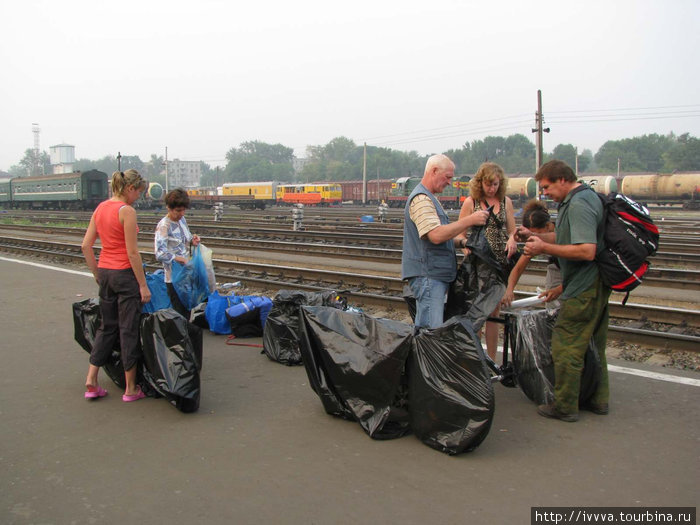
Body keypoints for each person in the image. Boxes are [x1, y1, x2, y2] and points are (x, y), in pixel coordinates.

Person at [517, 160, 610, 422]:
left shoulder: (579, 204)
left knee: (565, 345)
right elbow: (567, 238)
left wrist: (543, 249)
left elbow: (585, 250)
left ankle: (565, 406)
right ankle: (599, 399)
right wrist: (536, 237)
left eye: (546, 187)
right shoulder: (584, 198)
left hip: (584, 286)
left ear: (562, 179)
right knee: (595, 344)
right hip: (595, 284)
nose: (544, 193)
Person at [81, 169, 151, 403]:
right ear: (130, 188)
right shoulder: (126, 211)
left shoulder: (101, 208)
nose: (138, 198)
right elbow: (132, 252)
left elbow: (86, 246)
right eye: (138, 192)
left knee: (106, 327)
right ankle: (131, 388)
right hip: (124, 275)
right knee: (128, 329)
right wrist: (143, 285)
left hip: (106, 273)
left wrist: (97, 274)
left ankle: (91, 380)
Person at [401, 154, 489, 329]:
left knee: (428, 331)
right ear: (434, 171)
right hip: (428, 276)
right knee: (430, 332)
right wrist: (470, 220)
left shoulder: (430, 198)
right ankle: (426, 357)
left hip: (433, 275)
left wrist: (462, 243)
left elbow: (439, 236)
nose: (449, 182)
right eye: (447, 177)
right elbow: (435, 235)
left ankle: (424, 356)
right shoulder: (421, 199)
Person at [458, 162, 517, 360]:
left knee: (494, 311)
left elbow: (512, 231)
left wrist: (512, 239)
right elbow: (459, 234)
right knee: (477, 311)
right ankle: (476, 359)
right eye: (488, 184)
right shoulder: (471, 202)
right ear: (480, 183)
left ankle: (491, 359)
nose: (492, 188)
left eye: (496, 185)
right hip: (477, 264)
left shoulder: (506, 202)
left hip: (498, 264)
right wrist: (466, 244)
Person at [500, 199, 562, 308]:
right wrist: (509, 289)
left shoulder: (562, 234)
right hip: (557, 269)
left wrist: (559, 289)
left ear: (548, 226)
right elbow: (518, 268)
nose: (535, 238)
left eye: (537, 234)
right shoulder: (534, 241)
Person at [154, 188, 201, 318]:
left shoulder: (182, 220)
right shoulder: (164, 226)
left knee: (187, 311)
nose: (181, 213)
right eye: (178, 211)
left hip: (186, 275)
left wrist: (193, 239)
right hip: (174, 278)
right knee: (179, 313)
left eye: (183, 210)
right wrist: (178, 258)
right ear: (169, 208)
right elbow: (160, 253)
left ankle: (186, 337)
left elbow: (186, 239)